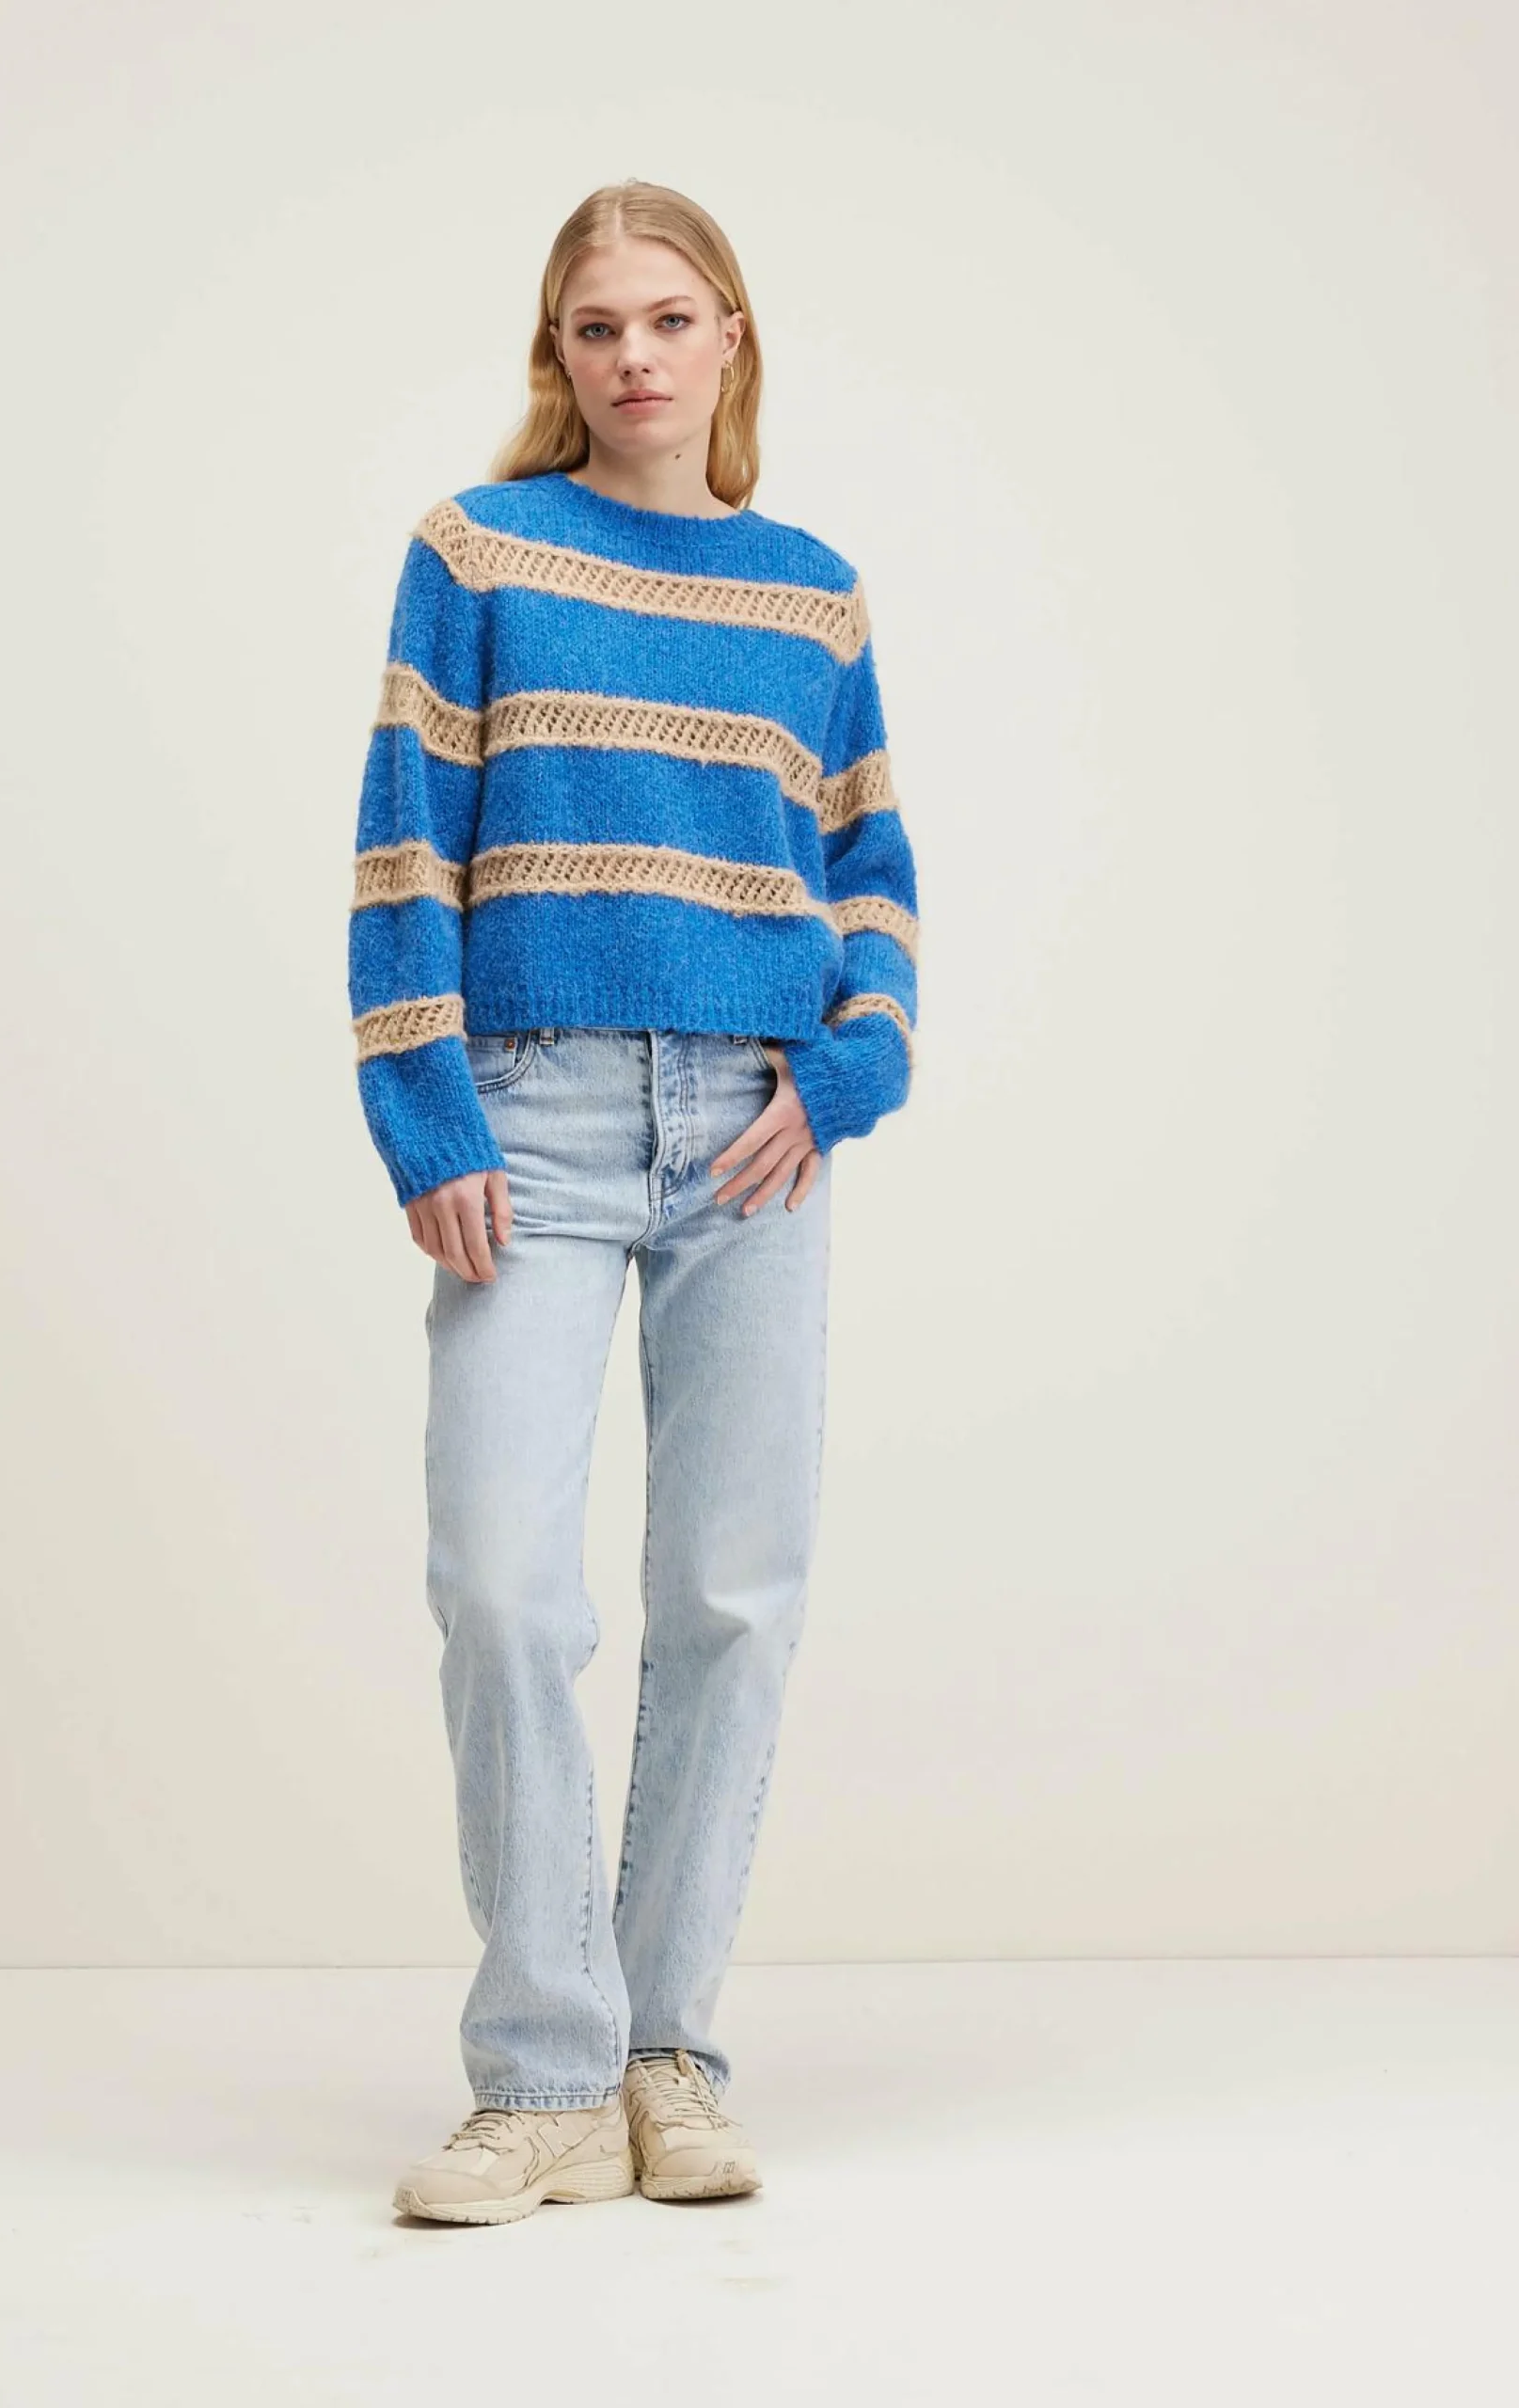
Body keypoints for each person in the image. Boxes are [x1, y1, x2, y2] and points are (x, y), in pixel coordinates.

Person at [347, 179, 920, 2225]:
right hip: (534, 1117)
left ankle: (664, 2050)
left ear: (730, 336)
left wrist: (847, 1067)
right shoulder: (477, 553)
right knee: (504, 1584)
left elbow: (871, 877)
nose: (636, 356)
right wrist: (426, 1113)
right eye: (598, 326)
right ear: (559, 354)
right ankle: (544, 2073)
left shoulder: (812, 595)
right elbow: (404, 843)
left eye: (671, 318)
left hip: (757, 1131)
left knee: (732, 1599)